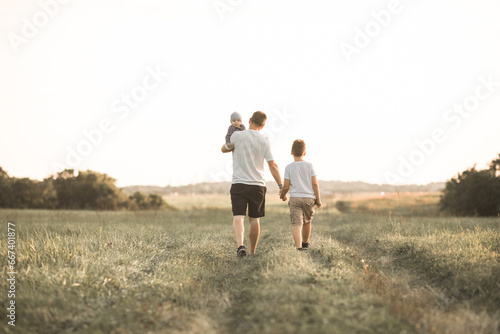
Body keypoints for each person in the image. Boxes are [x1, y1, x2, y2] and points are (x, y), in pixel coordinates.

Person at [221, 111, 285, 257]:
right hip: (258, 185)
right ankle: (252, 252)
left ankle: (240, 246)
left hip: (239, 183)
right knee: (254, 219)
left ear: (249, 120)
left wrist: (229, 145)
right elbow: (273, 165)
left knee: (238, 217)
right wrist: (281, 186)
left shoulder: (236, 136)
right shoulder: (265, 139)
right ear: (262, 126)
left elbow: (224, 148)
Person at [280, 139, 322, 250]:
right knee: (307, 222)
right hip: (309, 198)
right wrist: (318, 199)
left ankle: (298, 248)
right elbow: (315, 184)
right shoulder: (310, 165)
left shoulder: (288, 167)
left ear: (291, 152)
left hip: (295, 198)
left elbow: (286, 186)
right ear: (304, 153)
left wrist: (282, 195)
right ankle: (305, 244)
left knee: (296, 223)